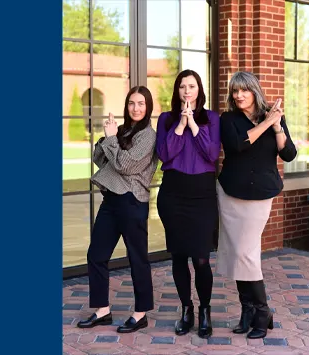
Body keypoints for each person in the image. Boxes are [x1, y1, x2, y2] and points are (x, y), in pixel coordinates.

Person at [216, 72, 296, 339]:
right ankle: (247, 310)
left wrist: (276, 125)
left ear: (254, 91)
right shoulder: (227, 119)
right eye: (235, 91)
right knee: (238, 251)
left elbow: (288, 153)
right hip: (231, 193)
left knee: (246, 252)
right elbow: (238, 145)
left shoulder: (273, 116)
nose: (238, 95)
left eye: (244, 91)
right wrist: (268, 121)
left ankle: (263, 312)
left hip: (260, 194)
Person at [75, 86, 158, 334]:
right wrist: (106, 137)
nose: (136, 108)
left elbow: (125, 164)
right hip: (111, 201)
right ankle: (102, 310)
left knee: (137, 259)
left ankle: (140, 313)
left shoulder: (148, 136)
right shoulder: (123, 131)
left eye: (141, 103)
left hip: (132, 202)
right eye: (132, 103)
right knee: (96, 255)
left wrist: (112, 140)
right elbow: (99, 159)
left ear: (148, 106)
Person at [154, 70, 220, 338]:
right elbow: (164, 154)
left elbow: (212, 153)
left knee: (202, 259)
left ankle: (204, 310)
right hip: (173, 194)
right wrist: (180, 126)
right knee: (179, 256)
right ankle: (186, 309)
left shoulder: (212, 119)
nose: (187, 91)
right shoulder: (166, 119)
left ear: (199, 89)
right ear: (177, 91)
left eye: (191, 86)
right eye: (182, 87)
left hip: (202, 196)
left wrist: (193, 125)